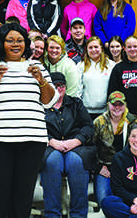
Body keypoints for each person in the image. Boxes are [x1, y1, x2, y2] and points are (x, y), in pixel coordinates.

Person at [0, 22, 57, 217]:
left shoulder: (37, 66)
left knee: (23, 196)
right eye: (10, 40)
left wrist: (41, 80)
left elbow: (50, 101)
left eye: (20, 40)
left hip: (32, 142)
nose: (15, 44)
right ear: (1, 42)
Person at [41, 72, 95, 218]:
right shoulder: (40, 105)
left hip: (76, 146)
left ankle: (78, 214)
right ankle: (52, 214)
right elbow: (34, 127)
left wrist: (76, 141)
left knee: (75, 162)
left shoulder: (76, 103)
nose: (59, 89)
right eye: (55, 85)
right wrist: (52, 141)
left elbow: (88, 127)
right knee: (52, 162)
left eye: (62, 86)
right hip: (49, 146)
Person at [92, 91, 137, 204]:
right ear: (108, 105)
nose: (117, 108)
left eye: (120, 104)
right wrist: (99, 167)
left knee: (130, 200)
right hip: (106, 168)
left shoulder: (133, 122)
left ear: (125, 105)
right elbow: (89, 148)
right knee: (103, 201)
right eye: (114, 104)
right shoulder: (99, 122)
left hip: (128, 168)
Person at [77, 37, 116, 120]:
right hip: (86, 112)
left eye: (96, 47)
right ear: (86, 49)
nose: (93, 50)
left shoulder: (111, 65)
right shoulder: (80, 66)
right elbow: (78, 90)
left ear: (101, 48)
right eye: (90, 48)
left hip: (106, 112)